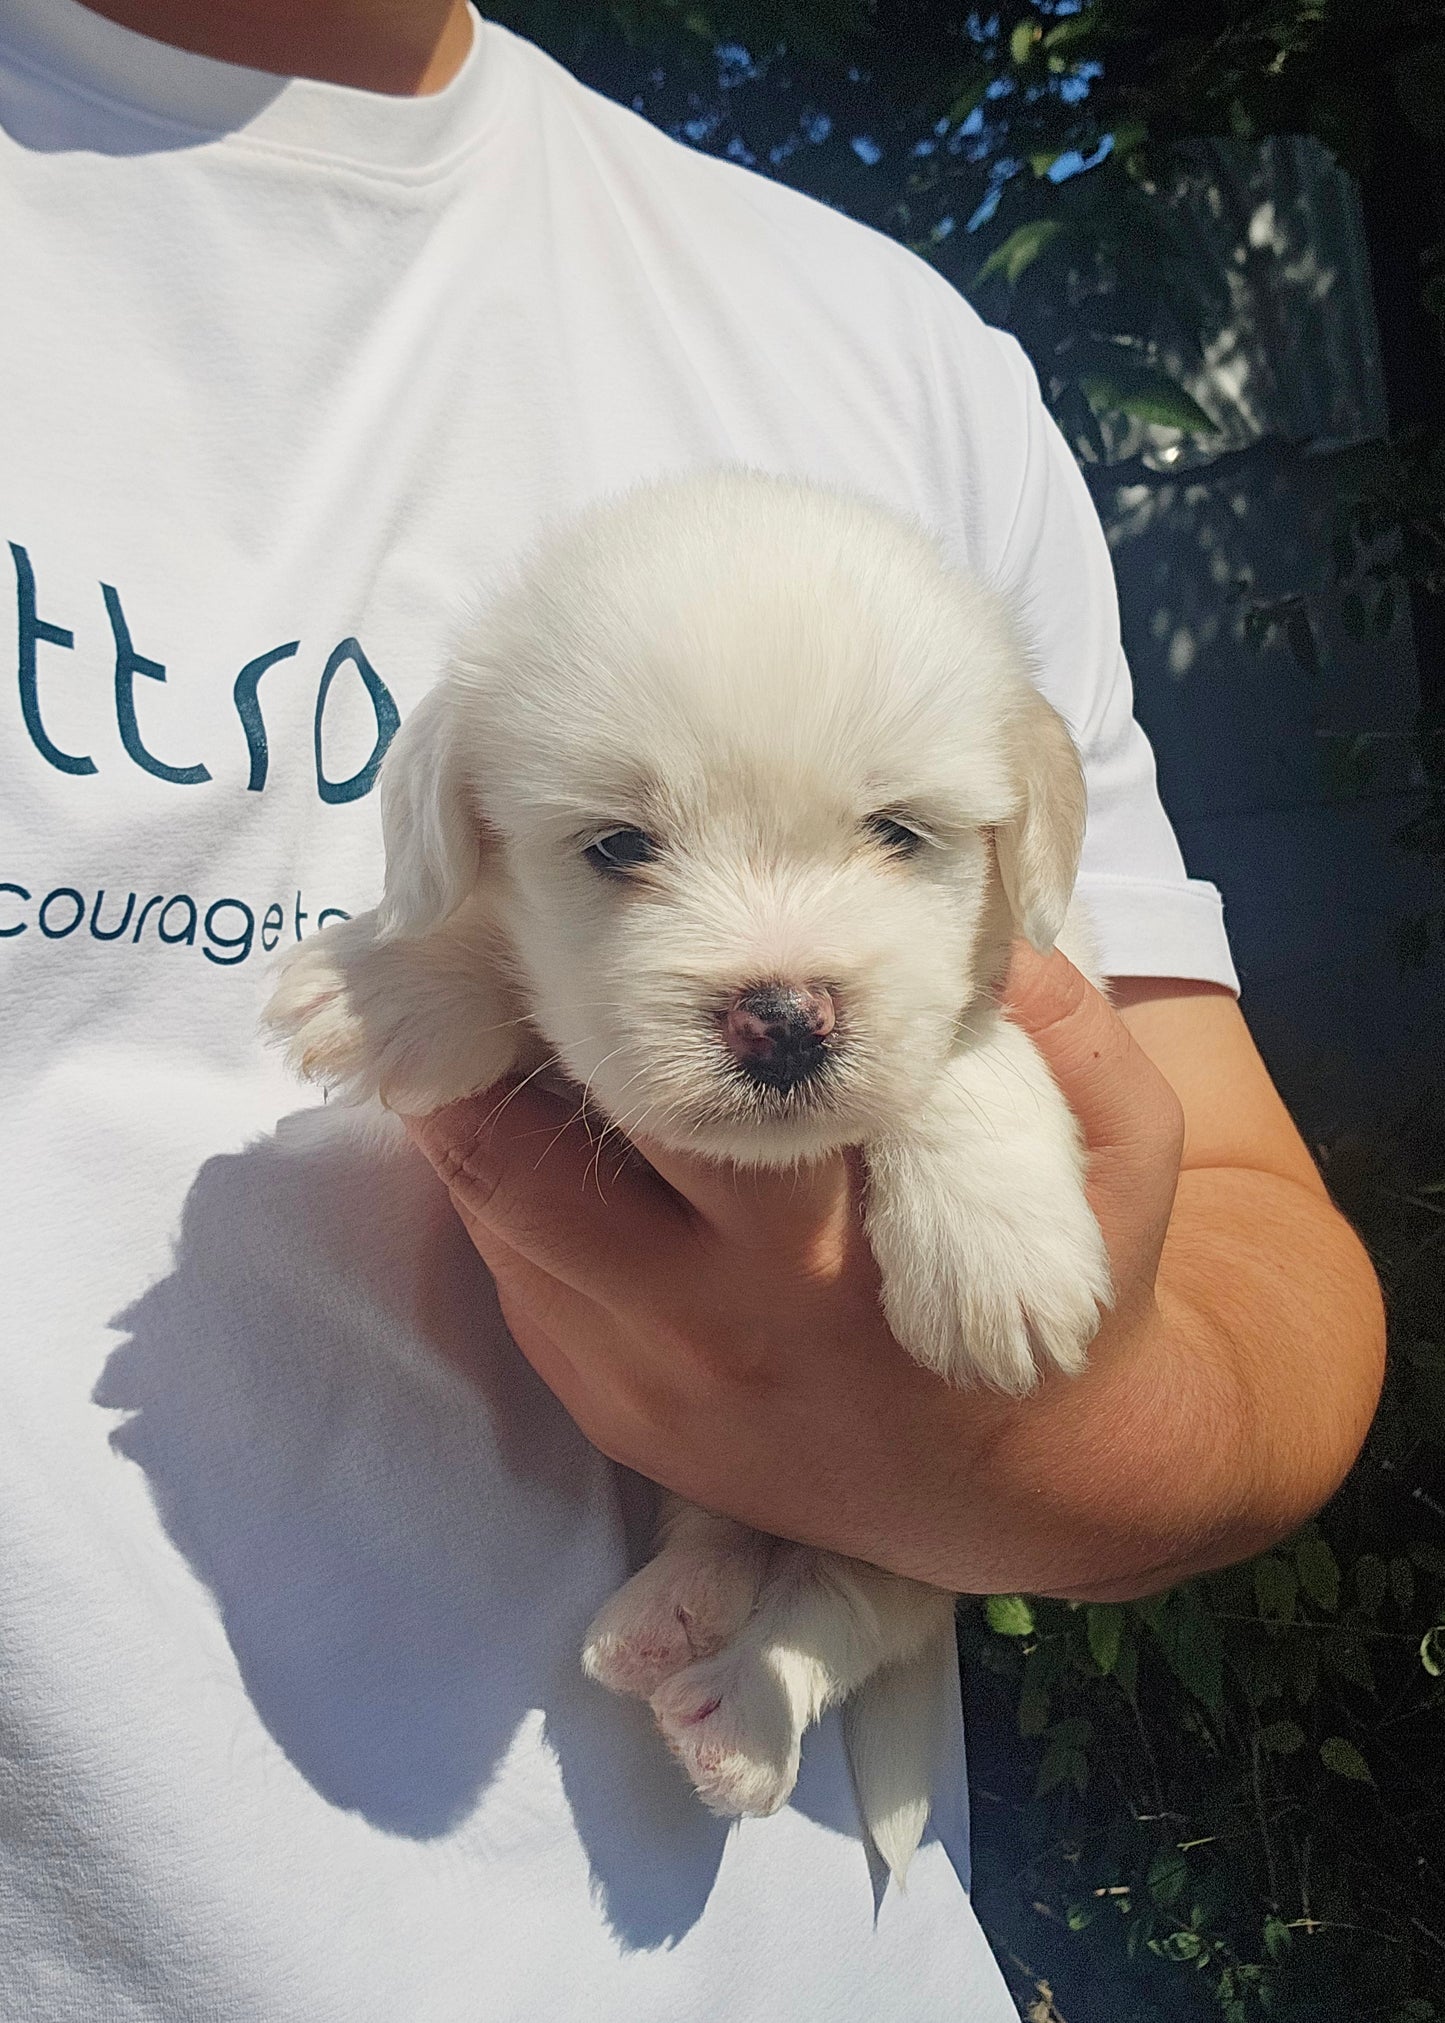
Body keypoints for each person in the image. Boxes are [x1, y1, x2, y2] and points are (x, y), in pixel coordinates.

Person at [0, 1, 1385, 2016]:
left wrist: (1035, 1443)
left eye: (900, 836)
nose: (770, 973)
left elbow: (1214, 1202)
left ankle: (811, 1631)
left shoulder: (880, 352)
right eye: (624, 855)